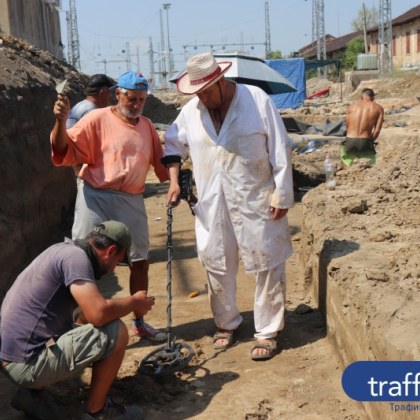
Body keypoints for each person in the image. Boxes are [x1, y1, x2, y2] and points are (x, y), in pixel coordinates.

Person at [162, 53, 294, 361]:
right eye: (197, 93)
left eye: (207, 91)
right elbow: (171, 146)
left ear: (221, 81)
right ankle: (226, 323)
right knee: (216, 262)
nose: (203, 98)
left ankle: (267, 331)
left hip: (256, 199)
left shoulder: (256, 101)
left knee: (267, 262)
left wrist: (282, 194)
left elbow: (280, 148)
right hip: (211, 202)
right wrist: (173, 181)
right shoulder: (192, 111)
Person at [50, 71, 169, 343]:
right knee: (82, 260)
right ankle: (75, 325)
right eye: (131, 98)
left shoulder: (147, 126)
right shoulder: (96, 118)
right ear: (118, 94)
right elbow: (63, 147)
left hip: (131, 199)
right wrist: (59, 121)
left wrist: (176, 177)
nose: (136, 104)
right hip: (97, 197)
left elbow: (162, 163)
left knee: (140, 261)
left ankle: (139, 321)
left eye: (141, 99)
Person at [0, 220, 154, 419]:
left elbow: (85, 314)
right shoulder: (77, 260)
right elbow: (98, 314)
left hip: (12, 357)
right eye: (118, 261)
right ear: (111, 250)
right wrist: (134, 302)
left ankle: (32, 396)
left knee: (84, 324)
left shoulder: (64, 250)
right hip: (24, 364)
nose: (114, 269)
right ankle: (98, 411)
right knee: (116, 331)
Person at [66, 73, 114, 177]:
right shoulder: (92, 111)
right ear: (103, 91)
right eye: (109, 92)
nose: (110, 96)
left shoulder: (80, 106)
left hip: (78, 164)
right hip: (88, 169)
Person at [341, 88, 384, 167]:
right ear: (373, 97)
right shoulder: (378, 108)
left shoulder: (350, 107)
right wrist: (371, 141)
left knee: (345, 162)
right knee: (370, 165)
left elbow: (347, 126)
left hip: (350, 140)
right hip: (365, 140)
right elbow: (377, 130)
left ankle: (345, 175)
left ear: (361, 96)